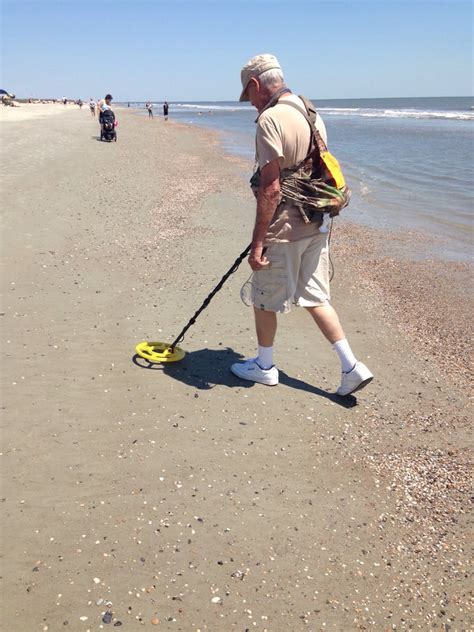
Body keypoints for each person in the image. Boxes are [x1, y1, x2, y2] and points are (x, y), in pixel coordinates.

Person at [230, 54, 373, 397]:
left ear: (255, 85)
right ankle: (351, 366)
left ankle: (264, 367)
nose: (250, 103)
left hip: (286, 228)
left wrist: (258, 242)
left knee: (263, 298)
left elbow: (271, 187)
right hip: (317, 224)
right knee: (315, 297)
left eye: (248, 95)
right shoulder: (311, 113)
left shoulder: (271, 120)